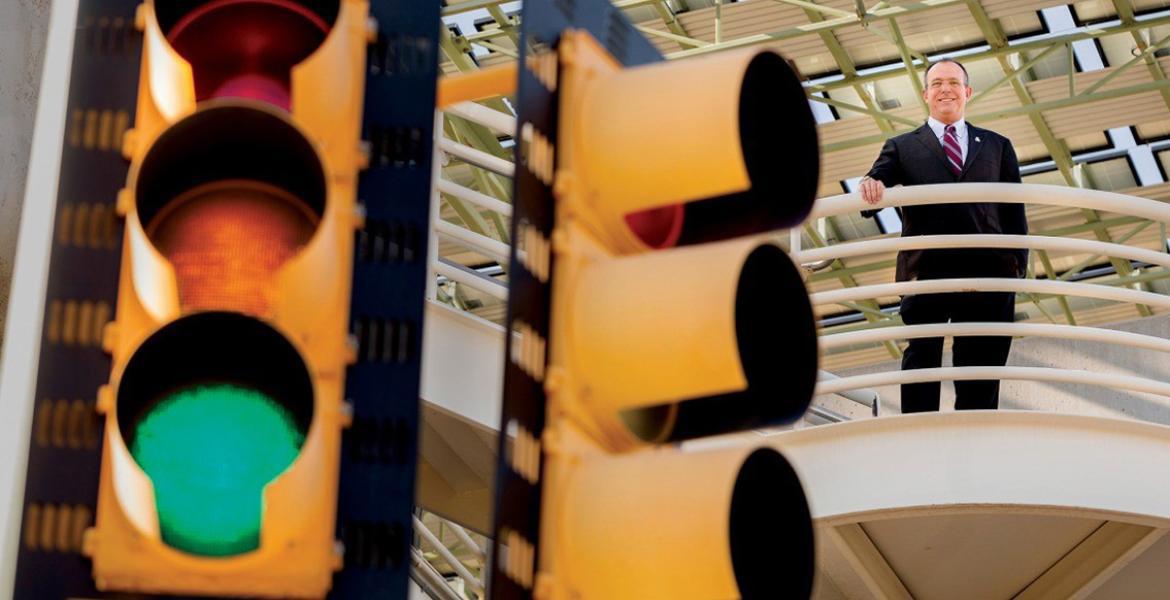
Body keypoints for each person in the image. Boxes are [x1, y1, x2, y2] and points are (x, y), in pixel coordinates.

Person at [858, 58, 1026, 413]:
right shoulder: (902, 146)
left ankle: (977, 440)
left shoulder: (997, 145)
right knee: (922, 358)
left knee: (981, 365)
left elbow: (1014, 211)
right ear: (925, 95)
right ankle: (919, 437)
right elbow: (874, 185)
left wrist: (1016, 267)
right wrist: (869, 183)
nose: (945, 89)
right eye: (936, 84)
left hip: (988, 273)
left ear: (967, 92)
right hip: (927, 271)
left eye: (952, 82)